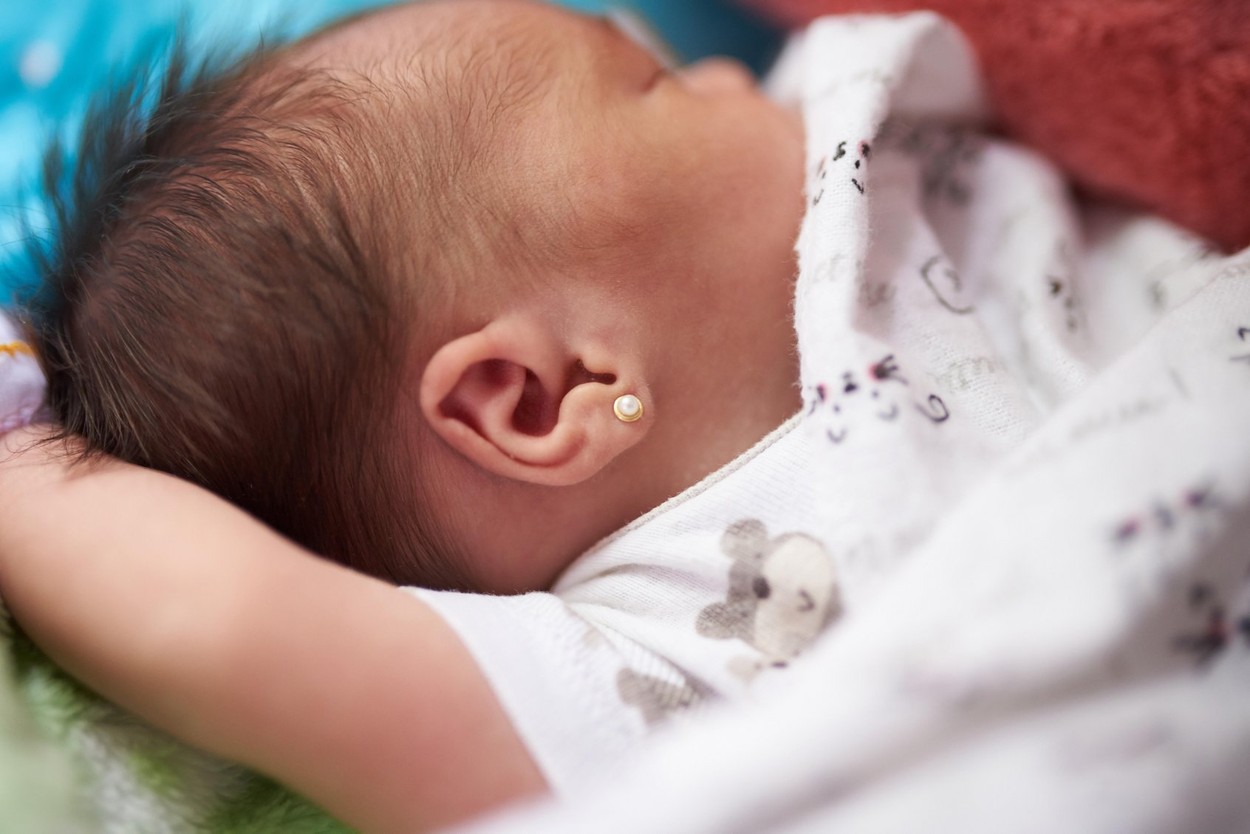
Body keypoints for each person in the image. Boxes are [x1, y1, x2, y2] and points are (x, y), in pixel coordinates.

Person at [3, 1, 1248, 833]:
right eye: (651, 85)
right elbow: (210, 620)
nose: (722, 71)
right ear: (548, 398)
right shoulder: (638, 666)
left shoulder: (926, 189)